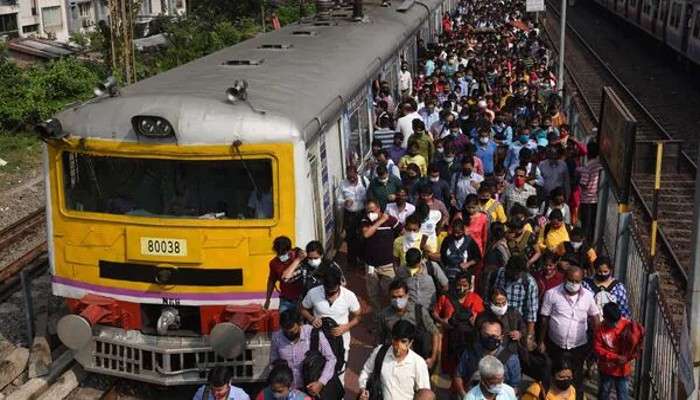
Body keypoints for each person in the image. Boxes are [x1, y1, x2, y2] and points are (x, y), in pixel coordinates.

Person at [539, 266, 600, 400]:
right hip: (555, 345)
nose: (573, 284)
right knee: (552, 373)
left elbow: (595, 317)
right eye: (571, 280)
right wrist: (541, 341)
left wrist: (598, 340)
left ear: (581, 281)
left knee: (576, 376)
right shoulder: (552, 294)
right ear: (565, 278)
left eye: (577, 281)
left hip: (578, 345)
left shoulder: (588, 296)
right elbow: (544, 318)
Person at [301, 270, 361, 384]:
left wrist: (346, 327)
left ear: (339, 285)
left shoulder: (349, 296)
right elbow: (303, 309)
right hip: (319, 341)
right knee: (317, 372)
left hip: (341, 342)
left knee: (339, 373)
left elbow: (358, 316)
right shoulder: (313, 293)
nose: (330, 295)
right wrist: (312, 319)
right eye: (327, 292)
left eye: (333, 292)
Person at [270, 309, 337, 396]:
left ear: (300, 324)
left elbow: (331, 359)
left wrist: (321, 383)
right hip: (288, 391)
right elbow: (273, 363)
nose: (289, 335)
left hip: (311, 389)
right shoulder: (277, 337)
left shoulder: (313, 334)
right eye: (285, 332)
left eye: (292, 331)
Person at [358, 320, 431, 400]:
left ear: (410, 343)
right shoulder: (380, 352)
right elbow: (366, 371)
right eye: (396, 339)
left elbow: (425, 394)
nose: (398, 345)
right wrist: (363, 388)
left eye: (403, 341)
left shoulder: (419, 363)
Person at [377, 278, 440, 369]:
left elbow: (435, 333)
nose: (397, 300)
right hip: (396, 361)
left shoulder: (419, 311)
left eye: (400, 296)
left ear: (407, 295)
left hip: (420, 359)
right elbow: (381, 338)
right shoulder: (384, 315)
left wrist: (433, 358)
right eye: (394, 297)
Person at [454, 317, 521, 397]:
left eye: (495, 336)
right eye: (486, 335)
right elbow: (458, 376)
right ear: (480, 335)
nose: (491, 339)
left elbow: (515, 386)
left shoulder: (511, 359)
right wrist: (464, 395)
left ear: (501, 337)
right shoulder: (470, 352)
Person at [432, 271, 485, 374]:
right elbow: (434, 313)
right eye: (459, 285)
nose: (461, 288)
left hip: (469, 339)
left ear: (470, 286)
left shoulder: (476, 299)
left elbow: (483, 318)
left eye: (465, 285)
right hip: (450, 337)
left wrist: (475, 321)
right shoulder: (445, 297)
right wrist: (442, 321)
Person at [362, 198, 401, 321]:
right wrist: (380, 221)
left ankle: (393, 315)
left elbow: (403, 233)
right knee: (372, 293)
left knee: (390, 291)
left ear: (379, 209)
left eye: (372, 210)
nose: (370, 214)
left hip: (388, 265)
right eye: (368, 211)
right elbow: (366, 234)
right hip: (371, 265)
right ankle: (378, 316)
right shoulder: (365, 221)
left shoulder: (391, 221)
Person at [593, 303, 642, 400]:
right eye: (612, 322)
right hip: (606, 369)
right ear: (604, 318)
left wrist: (629, 357)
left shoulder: (627, 325)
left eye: (617, 321)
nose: (615, 324)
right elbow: (597, 349)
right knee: (604, 393)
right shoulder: (600, 330)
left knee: (623, 395)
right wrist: (615, 357)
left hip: (623, 370)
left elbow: (636, 343)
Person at [489, 254, 539, 339]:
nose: (516, 276)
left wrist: (528, 336)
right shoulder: (498, 274)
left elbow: (531, 313)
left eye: (518, 273)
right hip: (495, 320)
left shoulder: (529, 283)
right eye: (513, 273)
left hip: (515, 325)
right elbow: (488, 298)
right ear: (507, 268)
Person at [337, 165, 369, 268]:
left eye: (353, 177)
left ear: (356, 173)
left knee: (363, 237)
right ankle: (352, 262)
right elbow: (338, 200)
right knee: (351, 239)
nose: (351, 179)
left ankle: (363, 260)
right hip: (350, 215)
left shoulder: (364, 181)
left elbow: (370, 193)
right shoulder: (342, 184)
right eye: (349, 177)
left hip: (362, 213)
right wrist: (345, 202)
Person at [265, 236, 304, 312]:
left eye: (283, 253)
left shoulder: (299, 257)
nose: (280, 256)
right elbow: (271, 281)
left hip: (301, 300)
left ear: (289, 250)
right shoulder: (274, 263)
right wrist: (267, 299)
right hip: (285, 300)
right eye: (278, 253)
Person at [577, 141, 602, 242]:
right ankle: (590, 241)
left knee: (585, 224)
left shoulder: (588, 166)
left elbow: (584, 183)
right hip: (596, 198)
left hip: (587, 199)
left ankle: (585, 242)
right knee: (592, 223)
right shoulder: (599, 164)